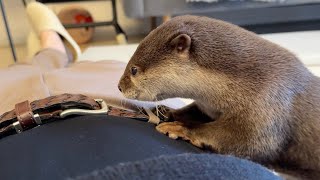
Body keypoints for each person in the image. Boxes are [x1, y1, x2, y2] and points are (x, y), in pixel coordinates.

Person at [0, 2, 280, 180]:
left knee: (21, 71)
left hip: (6, 116)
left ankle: (51, 47)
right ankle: (55, 47)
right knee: (102, 66)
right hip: (137, 113)